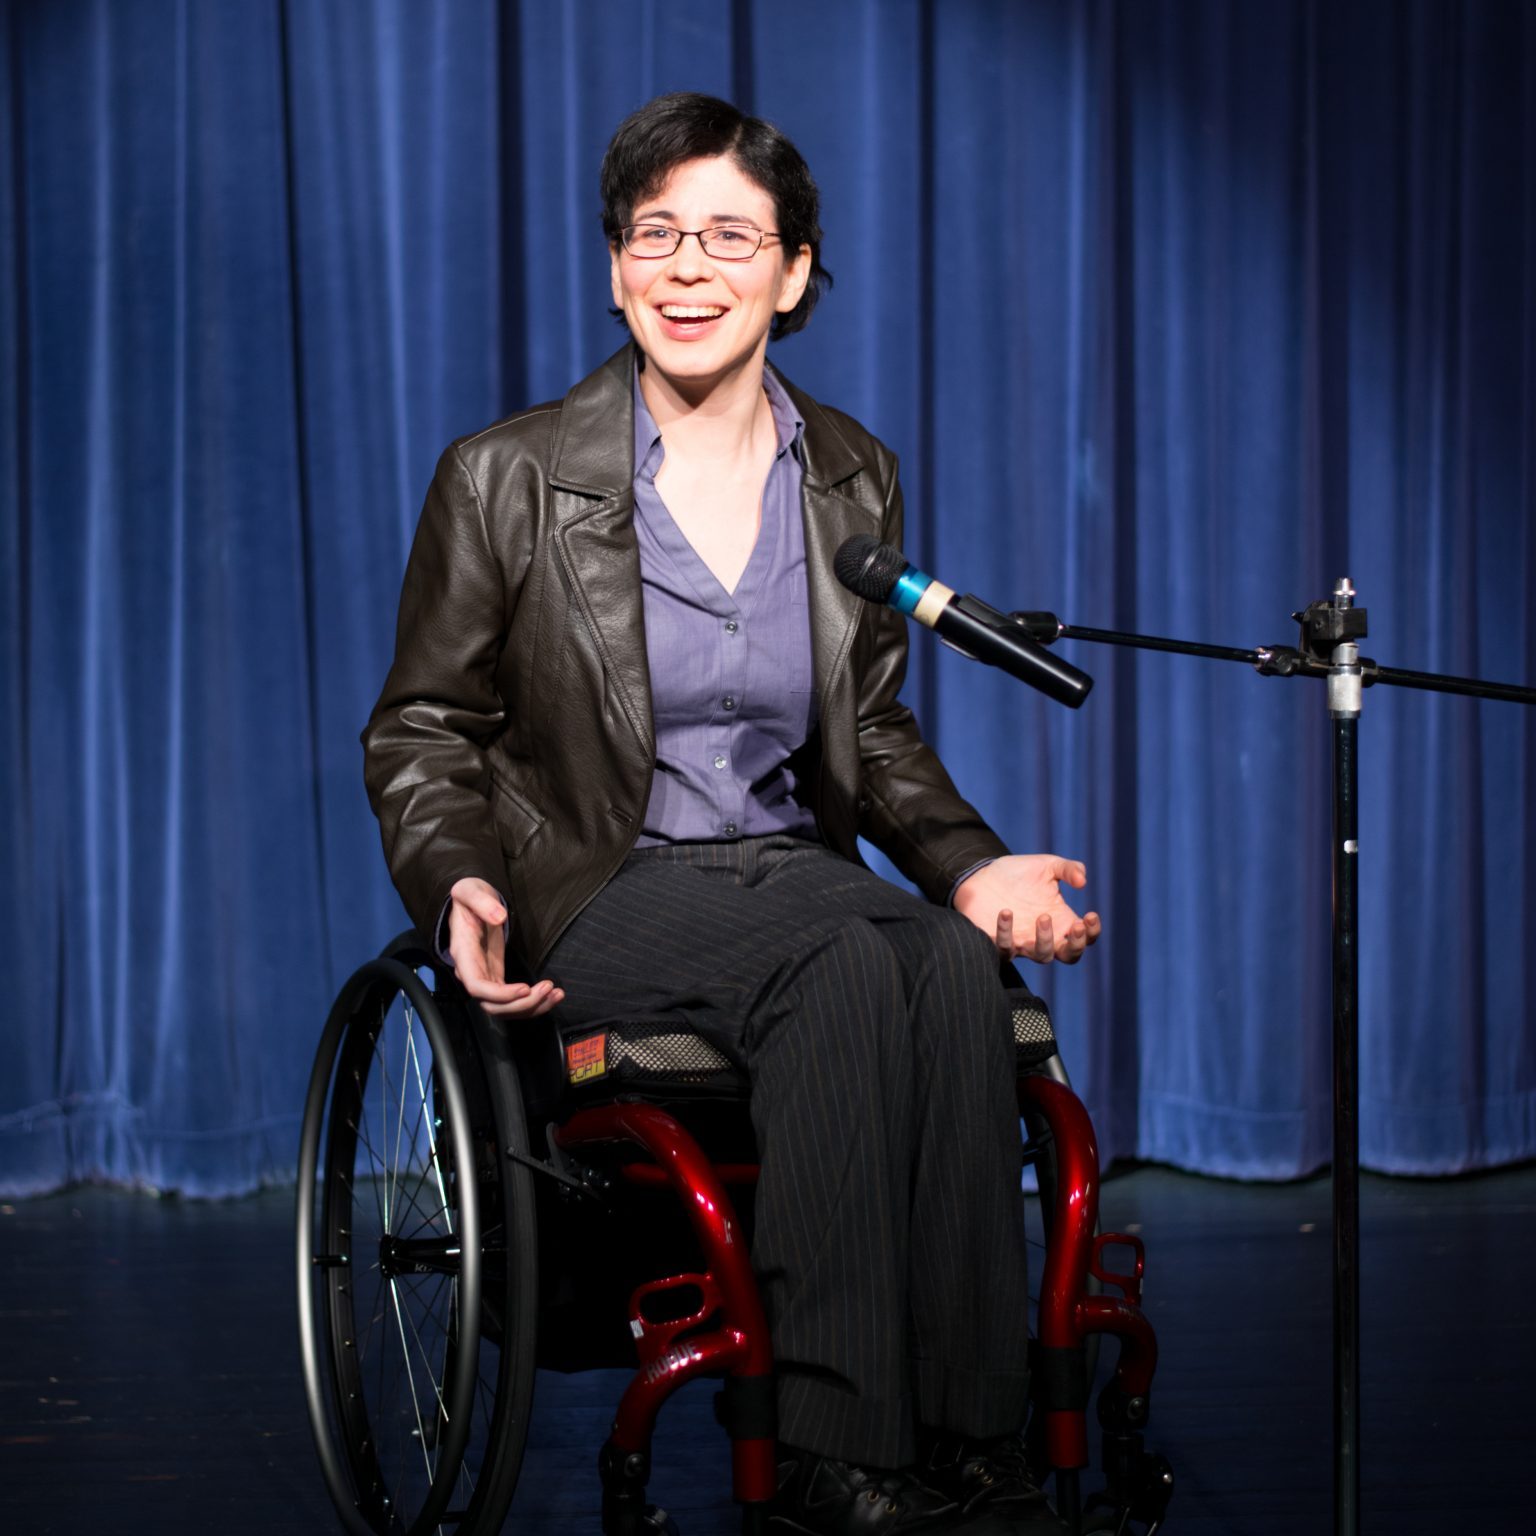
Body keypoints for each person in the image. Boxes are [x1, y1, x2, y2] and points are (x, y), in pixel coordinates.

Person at [363, 92, 1099, 1536]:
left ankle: (974, 1435)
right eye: (657, 235)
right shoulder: (505, 477)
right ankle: (832, 1444)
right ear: (616, 265)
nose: (689, 268)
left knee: (950, 964)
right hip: (601, 874)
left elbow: (871, 734)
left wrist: (970, 866)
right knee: (834, 970)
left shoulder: (847, 477)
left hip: (780, 865)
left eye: (729, 237)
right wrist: (454, 876)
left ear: (797, 270)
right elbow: (425, 726)